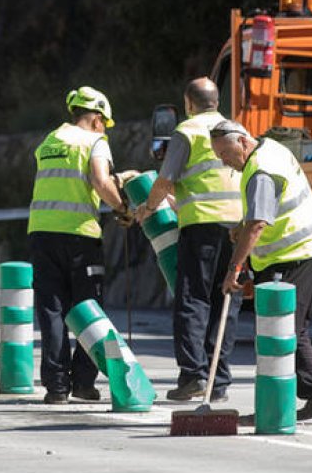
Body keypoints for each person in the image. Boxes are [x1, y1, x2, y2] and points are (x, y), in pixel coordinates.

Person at [209, 119, 312, 422]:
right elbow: (263, 212)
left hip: (296, 254)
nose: (224, 162)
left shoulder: (260, 171)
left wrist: (234, 269)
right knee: (289, 330)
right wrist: (243, 227)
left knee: (281, 331)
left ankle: (293, 403)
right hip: (298, 250)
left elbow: (257, 225)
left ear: (242, 141)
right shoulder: (271, 148)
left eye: (225, 154)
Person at [135, 78, 242, 401]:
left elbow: (165, 180)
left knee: (193, 301)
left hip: (201, 226)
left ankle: (193, 375)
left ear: (188, 103)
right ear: (216, 101)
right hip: (238, 227)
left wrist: (147, 207)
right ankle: (218, 381)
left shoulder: (188, 131)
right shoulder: (238, 129)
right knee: (226, 301)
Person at [28, 87, 130, 404]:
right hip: (79, 236)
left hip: (41, 234)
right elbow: (100, 181)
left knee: (51, 311)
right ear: (97, 118)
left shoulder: (48, 141)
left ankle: (57, 387)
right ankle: (84, 383)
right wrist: (123, 209)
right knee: (88, 310)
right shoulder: (94, 141)